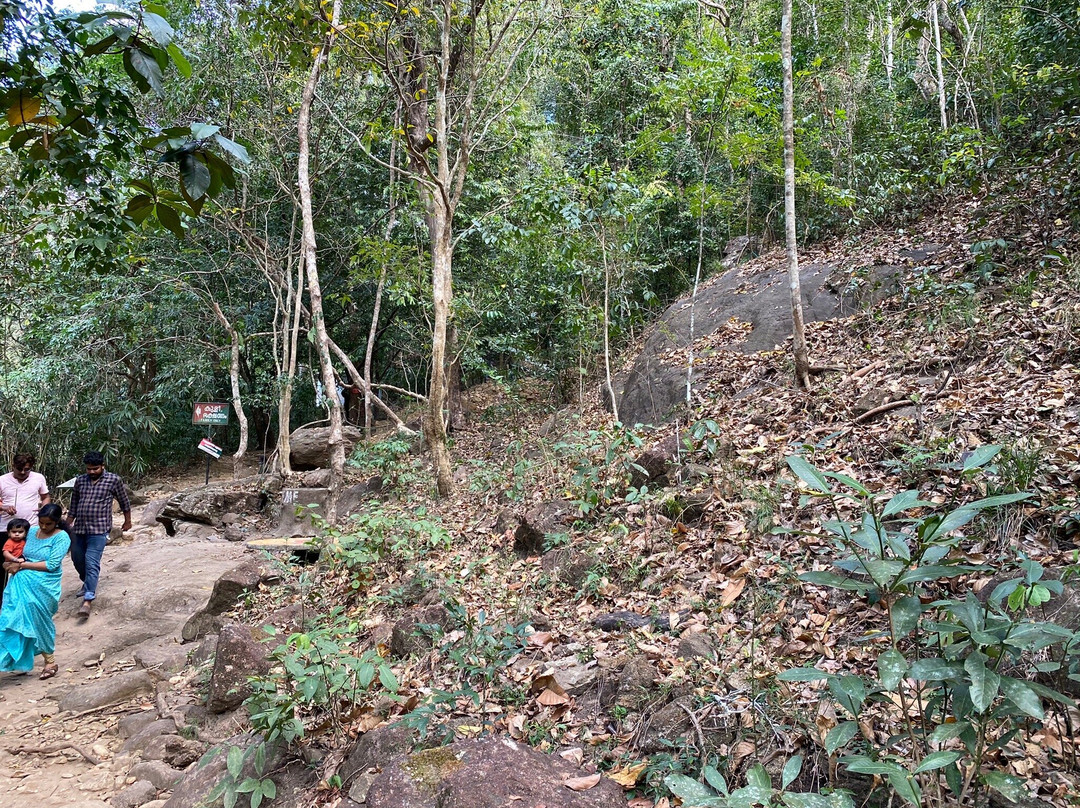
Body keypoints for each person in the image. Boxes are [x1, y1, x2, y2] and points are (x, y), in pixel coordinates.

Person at [0, 504, 70, 679]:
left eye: (48, 524)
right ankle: (15, 659)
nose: (44, 527)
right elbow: (20, 551)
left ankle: (50, 661)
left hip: (44, 586)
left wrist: (21, 565)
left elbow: (51, 565)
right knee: (10, 619)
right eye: (41, 523)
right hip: (20, 582)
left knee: (39, 620)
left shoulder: (62, 537)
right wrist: (12, 562)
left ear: (57, 522)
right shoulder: (31, 531)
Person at [67, 451, 131, 619]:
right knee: (77, 558)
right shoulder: (80, 481)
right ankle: (87, 581)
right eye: (89, 469)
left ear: (103, 466)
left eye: (95, 468)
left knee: (91, 561)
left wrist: (127, 521)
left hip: (99, 529)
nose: (92, 472)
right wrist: (67, 525)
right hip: (79, 528)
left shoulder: (113, 480)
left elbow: (124, 501)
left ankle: (88, 599)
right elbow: (74, 504)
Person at [0, 454, 50, 602]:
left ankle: (27, 600)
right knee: (4, 566)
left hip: (32, 530)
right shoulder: (2, 480)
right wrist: (4, 507)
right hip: (5, 530)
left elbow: (46, 496)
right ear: (12, 466)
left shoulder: (38, 478)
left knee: (29, 564)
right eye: (19, 469)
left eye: (26, 469)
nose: (22, 472)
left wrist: (45, 508)